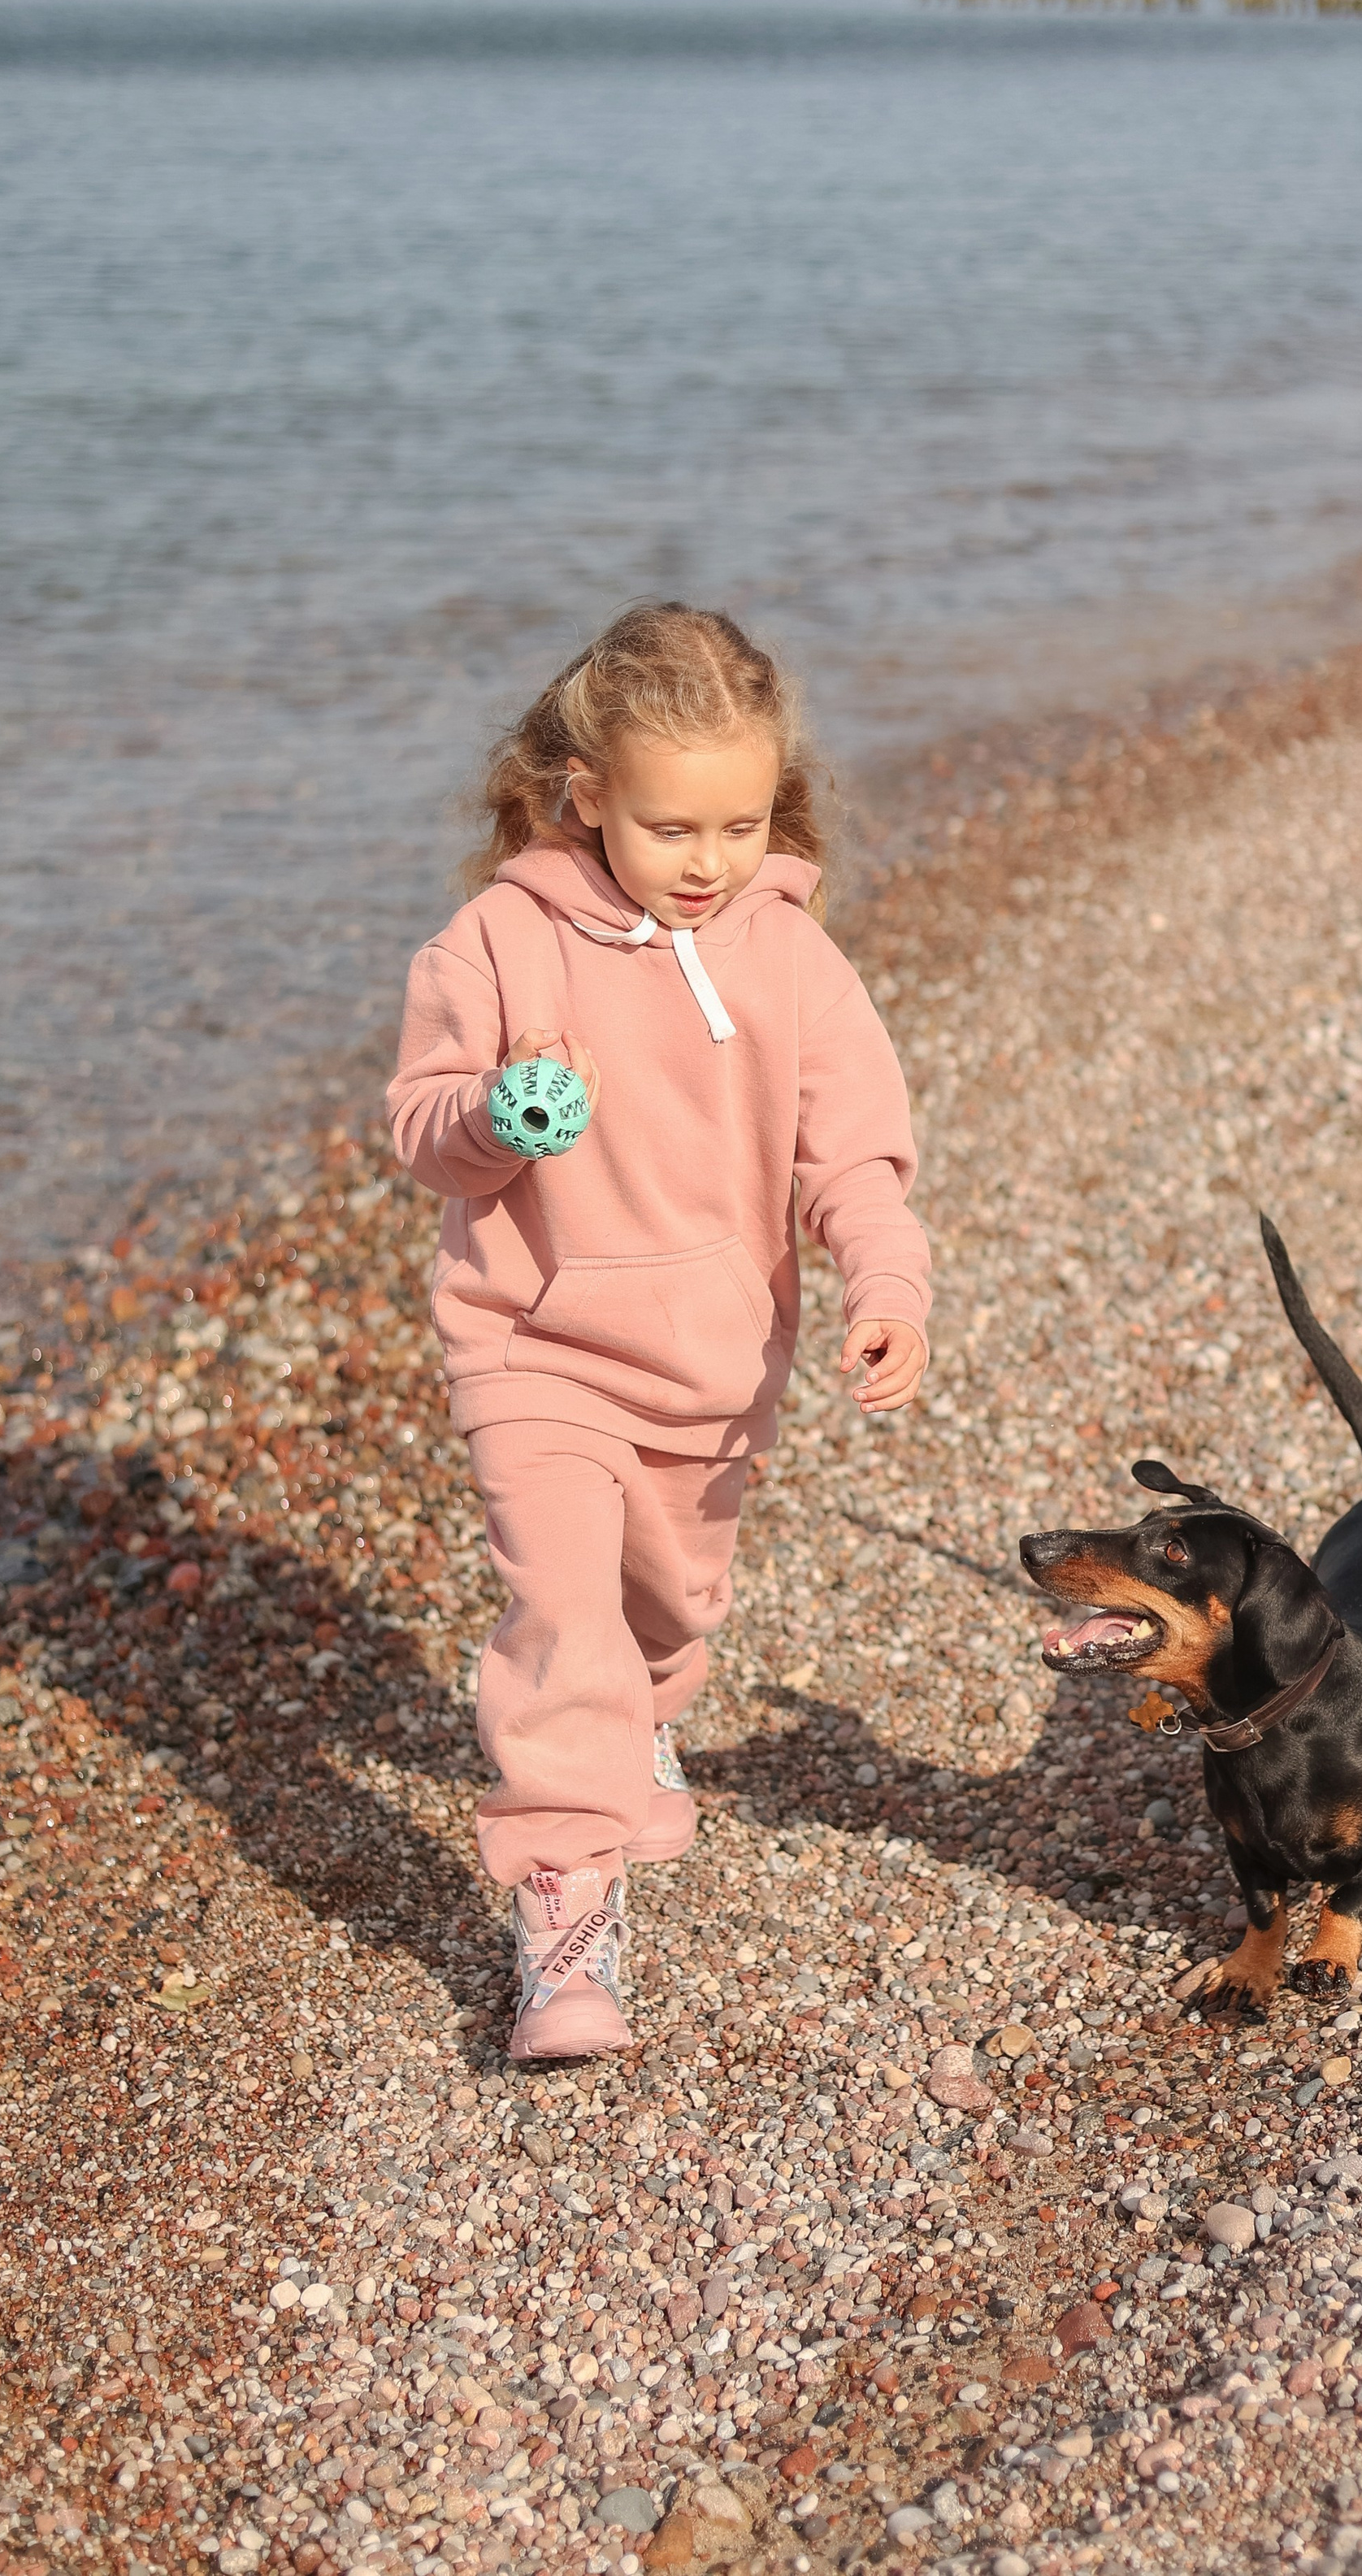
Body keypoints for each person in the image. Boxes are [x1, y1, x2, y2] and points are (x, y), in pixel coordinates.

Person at [388, 603, 930, 2060]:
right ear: (587, 795)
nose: (709, 861)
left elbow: (852, 1154)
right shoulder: (499, 941)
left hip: (714, 1358)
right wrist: (498, 1113)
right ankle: (566, 1920)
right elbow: (423, 1126)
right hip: (534, 1341)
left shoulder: (791, 958)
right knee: (562, 1621)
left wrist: (887, 1286)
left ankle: (645, 1715)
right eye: (671, 826)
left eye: (740, 825)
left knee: (667, 1607)